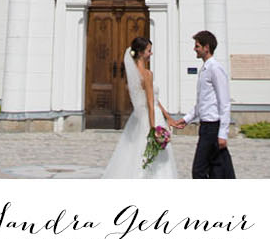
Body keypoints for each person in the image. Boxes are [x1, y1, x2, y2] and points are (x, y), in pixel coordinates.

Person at [101, 37, 177, 179]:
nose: (151, 54)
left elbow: (152, 99)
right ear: (141, 53)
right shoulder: (147, 74)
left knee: (135, 151)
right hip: (151, 117)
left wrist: (168, 116)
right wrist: (154, 128)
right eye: (149, 51)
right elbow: (150, 102)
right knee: (154, 156)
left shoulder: (133, 73)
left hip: (139, 117)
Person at [169, 30, 236, 179]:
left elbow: (224, 102)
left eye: (197, 45)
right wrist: (186, 119)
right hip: (205, 126)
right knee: (217, 169)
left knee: (199, 170)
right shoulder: (205, 69)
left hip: (213, 127)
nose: (194, 49)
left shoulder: (215, 69)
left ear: (207, 47)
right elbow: (202, 103)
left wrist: (223, 133)